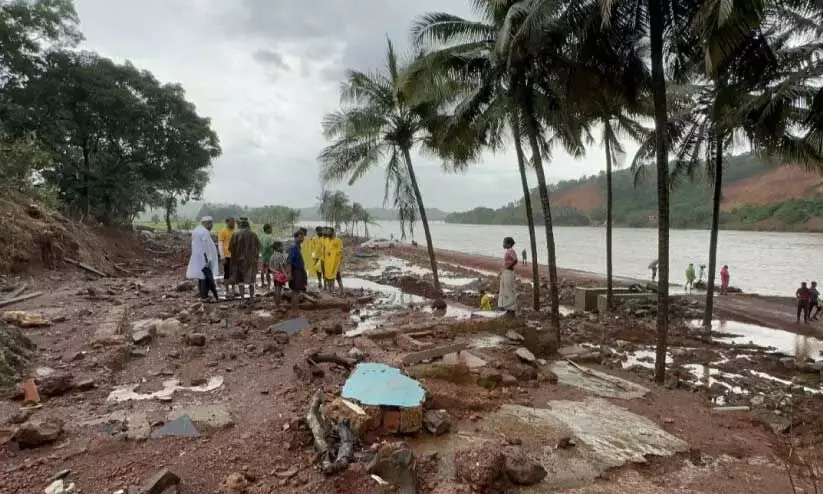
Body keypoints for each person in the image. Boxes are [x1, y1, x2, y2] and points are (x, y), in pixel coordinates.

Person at [186, 216, 219, 301]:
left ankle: (202, 294)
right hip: (204, 258)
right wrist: (208, 258)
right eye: (210, 224)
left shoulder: (196, 230)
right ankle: (204, 296)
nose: (211, 226)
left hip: (198, 256)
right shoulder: (204, 232)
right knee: (205, 277)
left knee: (201, 276)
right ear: (206, 223)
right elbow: (206, 246)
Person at [228, 217, 261, 301]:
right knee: (251, 281)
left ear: (240, 226)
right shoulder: (254, 235)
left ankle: (242, 299)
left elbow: (230, 248)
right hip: (251, 261)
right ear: (248, 226)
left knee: (240, 281)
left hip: (239, 261)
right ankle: (251, 298)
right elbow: (258, 247)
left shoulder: (235, 235)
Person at [286, 230, 308, 314]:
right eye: (300, 237)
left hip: (299, 270)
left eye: (303, 237)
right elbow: (289, 262)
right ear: (295, 237)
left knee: (297, 291)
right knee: (295, 292)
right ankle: (294, 311)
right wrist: (290, 273)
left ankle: (295, 310)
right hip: (295, 271)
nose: (302, 239)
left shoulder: (298, 247)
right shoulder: (293, 247)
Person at [498, 237, 518, 316]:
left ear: (508, 244)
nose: (503, 244)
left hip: (509, 272)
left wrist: (508, 266)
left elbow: (515, 260)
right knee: (506, 289)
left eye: (504, 242)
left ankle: (511, 309)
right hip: (507, 271)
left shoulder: (511, 251)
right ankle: (508, 309)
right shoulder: (509, 251)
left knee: (508, 290)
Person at [218, 217, 237, 298]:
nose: (233, 223)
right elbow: (220, 244)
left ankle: (233, 290)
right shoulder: (223, 231)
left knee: (234, 274)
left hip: (235, 255)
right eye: (232, 222)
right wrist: (222, 257)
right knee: (227, 274)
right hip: (227, 256)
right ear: (227, 222)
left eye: (234, 222)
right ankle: (227, 291)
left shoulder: (235, 231)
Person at [270, 240, 287, 311]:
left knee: (276, 290)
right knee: (279, 291)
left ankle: (276, 305)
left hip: (275, 276)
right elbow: (282, 266)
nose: (283, 247)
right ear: (278, 247)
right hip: (280, 276)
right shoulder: (280, 256)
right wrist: (286, 275)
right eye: (282, 246)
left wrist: (275, 272)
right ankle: (279, 306)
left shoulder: (272, 256)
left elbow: (270, 267)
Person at [259, 224, 275, 290]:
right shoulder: (270, 237)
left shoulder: (262, 236)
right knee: (268, 270)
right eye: (271, 228)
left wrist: (262, 252)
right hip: (269, 256)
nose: (271, 230)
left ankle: (262, 283)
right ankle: (269, 285)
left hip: (263, 255)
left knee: (263, 270)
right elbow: (271, 246)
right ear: (267, 229)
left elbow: (260, 245)